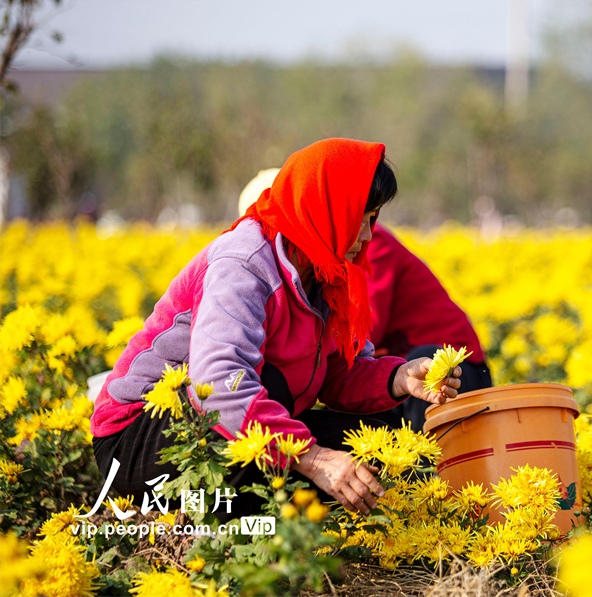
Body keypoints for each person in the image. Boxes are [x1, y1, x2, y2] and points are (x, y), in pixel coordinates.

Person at [90, 138, 461, 518]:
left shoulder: (325, 271)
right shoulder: (245, 263)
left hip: (224, 421)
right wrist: (314, 459)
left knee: (378, 444)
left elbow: (335, 373)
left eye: (372, 219)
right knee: (278, 403)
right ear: (326, 208)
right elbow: (220, 384)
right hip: (139, 437)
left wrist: (398, 377)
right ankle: (214, 527)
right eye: (359, 218)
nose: (367, 235)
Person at [239, 170, 492, 433]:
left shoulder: (363, 244)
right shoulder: (266, 261)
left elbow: (366, 327)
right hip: (403, 363)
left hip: (455, 371)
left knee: (414, 386)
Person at [366, 225, 492, 431]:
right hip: (402, 368)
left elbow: (369, 327)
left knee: (427, 365)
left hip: (459, 373)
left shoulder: (371, 241)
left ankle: (427, 463)